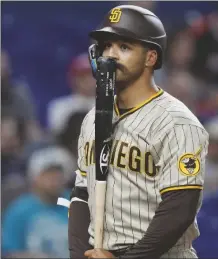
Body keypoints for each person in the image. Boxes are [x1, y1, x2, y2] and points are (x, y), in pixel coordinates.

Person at [68, 5, 209, 259]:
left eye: (124, 47)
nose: (110, 55)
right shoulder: (91, 119)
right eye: (106, 46)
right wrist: (79, 255)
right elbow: (80, 195)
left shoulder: (177, 123)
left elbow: (179, 209)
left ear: (150, 58)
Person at [2, 146, 74, 258]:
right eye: (48, 173)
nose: (54, 179)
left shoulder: (76, 204)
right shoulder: (19, 210)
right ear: (35, 177)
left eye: (58, 173)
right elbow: (9, 253)